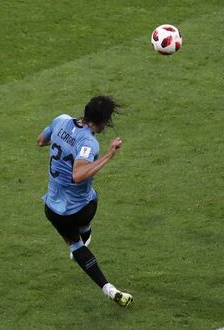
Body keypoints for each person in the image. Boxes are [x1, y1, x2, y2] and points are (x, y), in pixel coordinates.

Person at [36, 95, 133, 307]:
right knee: (92, 197)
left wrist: (62, 139)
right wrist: (108, 156)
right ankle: (86, 230)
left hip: (52, 208)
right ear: (103, 122)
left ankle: (109, 289)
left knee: (76, 247)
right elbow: (78, 175)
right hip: (79, 210)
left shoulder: (61, 119)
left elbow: (41, 141)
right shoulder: (89, 142)